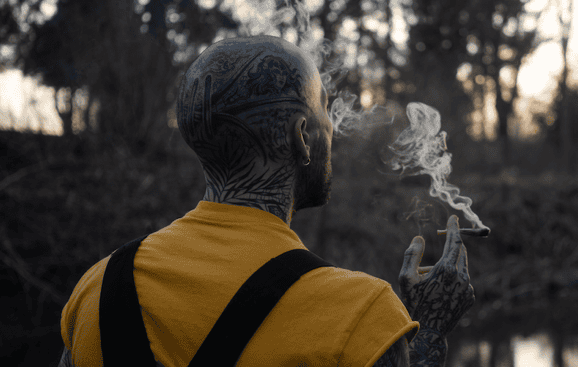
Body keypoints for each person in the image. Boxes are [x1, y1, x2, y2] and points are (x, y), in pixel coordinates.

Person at [58, 35, 475, 367]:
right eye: (325, 111)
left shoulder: (95, 289)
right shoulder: (360, 317)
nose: (333, 126)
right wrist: (431, 333)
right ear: (302, 136)